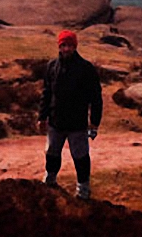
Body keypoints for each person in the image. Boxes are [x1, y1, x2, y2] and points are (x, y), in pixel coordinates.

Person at [37, 29, 103, 200]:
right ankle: (50, 180)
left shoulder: (86, 69)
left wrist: (94, 122)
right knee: (52, 153)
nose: (66, 49)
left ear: (75, 47)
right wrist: (41, 117)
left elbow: (96, 97)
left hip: (77, 124)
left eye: (70, 45)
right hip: (55, 122)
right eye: (63, 45)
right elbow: (46, 93)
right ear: (59, 46)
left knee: (80, 157)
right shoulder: (52, 66)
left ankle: (83, 190)